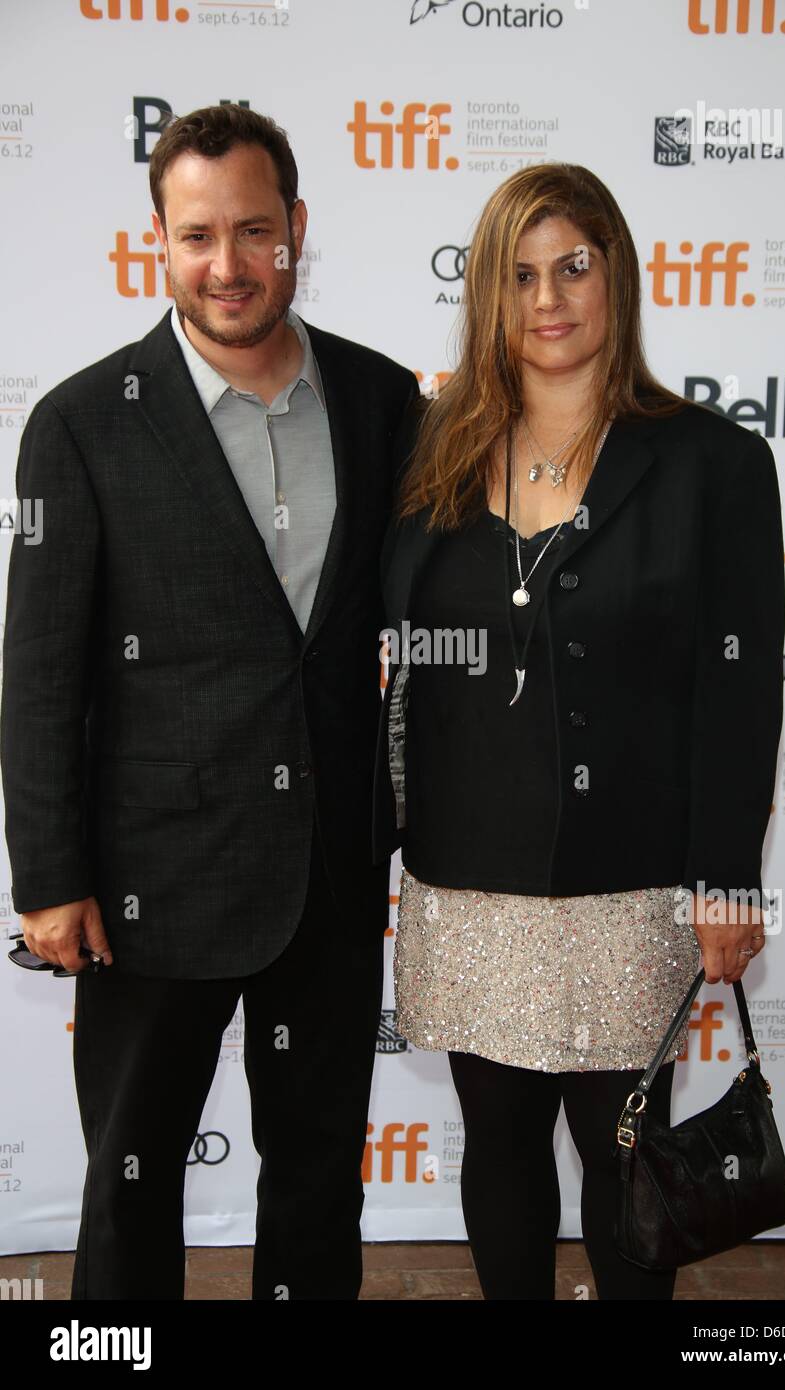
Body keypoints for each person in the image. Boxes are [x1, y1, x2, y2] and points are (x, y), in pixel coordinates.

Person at [0, 104, 421, 1300]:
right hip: (147, 885)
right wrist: (48, 875)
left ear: (296, 229)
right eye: (196, 235)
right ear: (158, 244)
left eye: (250, 230)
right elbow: (38, 671)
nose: (225, 264)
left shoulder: (384, 400)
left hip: (330, 876)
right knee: (127, 1192)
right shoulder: (82, 424)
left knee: (315, 1183)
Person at [372, 163, 785, 1300]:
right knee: (498, 1151)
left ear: (617, 276)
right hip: (467, 883)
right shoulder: (431, 459)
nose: (546, 298)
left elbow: (738, 688)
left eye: (572, 266)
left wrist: (725, 881)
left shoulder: (711, 463)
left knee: (621, 1166)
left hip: (629, 886)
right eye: (516, 275)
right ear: (486, 299)